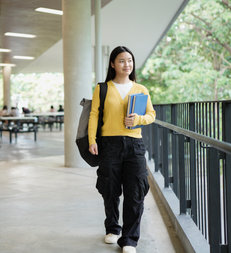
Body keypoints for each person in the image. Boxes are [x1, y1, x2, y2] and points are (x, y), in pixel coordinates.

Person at [88, 46, 156, 253]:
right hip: (109, 145)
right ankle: (112, 228)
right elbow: (93, 114)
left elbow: (151, 114)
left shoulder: (141, 89)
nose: (127, 64)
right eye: (121, 61)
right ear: (112, 64)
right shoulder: (102, 88)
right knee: (110, 189)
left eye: (130, 60)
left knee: (135, 191)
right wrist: (92, 139)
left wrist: (139, 119)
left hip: (134, 145)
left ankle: (129, 239)